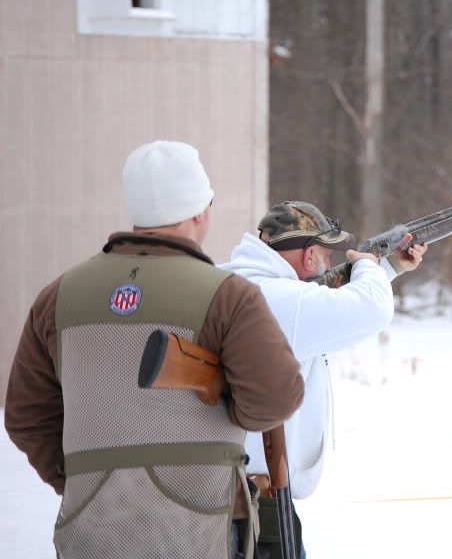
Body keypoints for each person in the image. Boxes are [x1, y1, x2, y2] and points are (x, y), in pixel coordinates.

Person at [4, 141, 305, 559]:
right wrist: (233, 408)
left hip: (93, 527)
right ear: (201, 210)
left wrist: (85, 478)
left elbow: (25, 416)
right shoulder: (228, 295)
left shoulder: (57, 297)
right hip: (202, 524)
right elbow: (276, 396)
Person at [219, 201, 426, 555]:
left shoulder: (244, 283)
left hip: (232, 492)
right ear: (308, 255)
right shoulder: (277, 298)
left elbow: (324, 308)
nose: (330, 263)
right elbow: (370, 310)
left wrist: (386, 268)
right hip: (251, 504)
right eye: (326, 254)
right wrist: (367, 265)